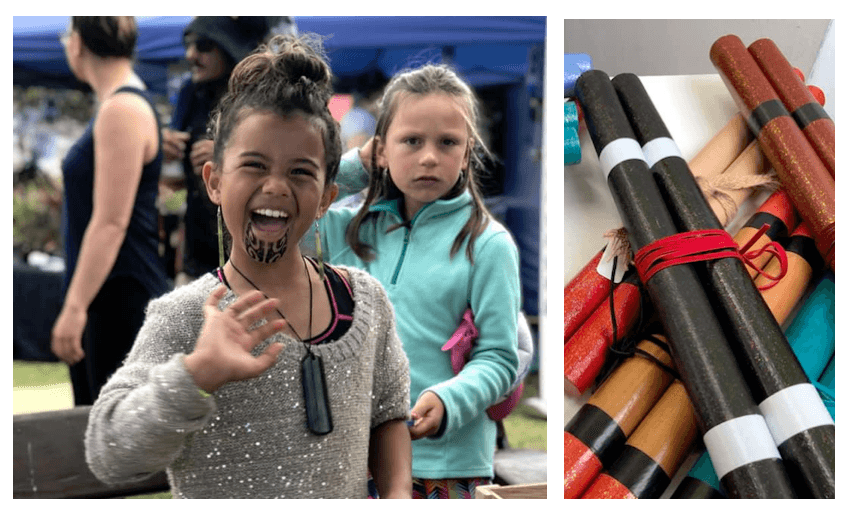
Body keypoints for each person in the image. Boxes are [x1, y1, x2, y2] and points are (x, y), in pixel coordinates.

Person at [85, 34, 412, 499]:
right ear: (215, 182)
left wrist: (398, 494)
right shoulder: (187, 316)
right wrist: (197, 374)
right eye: (255, 166)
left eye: (300, 171)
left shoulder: (366, 303)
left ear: (326, 198)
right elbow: (108, 453)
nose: (276, 186)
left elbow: (389, 415)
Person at [320, 63, 521, 498]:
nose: (429, 156)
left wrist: (450, 400)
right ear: (381, 150)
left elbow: (501, 359)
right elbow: (289, 216)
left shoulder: (489, 245)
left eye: (447, 142)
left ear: (467, 152)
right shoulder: (348, 231)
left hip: (445, 467)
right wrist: (356, 167)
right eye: (411, 141)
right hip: (356, 461)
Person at [52, 16, 169, 406]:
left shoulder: (122, 109)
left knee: (109, 426)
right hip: (114, 290)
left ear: (77, 44)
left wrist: (74, 307)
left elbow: (111, 222)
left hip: (118, 294)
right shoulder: (123, 104)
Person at [162, 17, 281, 285]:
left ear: (228, 48)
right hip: (197, 257)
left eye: (203, 45)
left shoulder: (261, 97)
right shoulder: (191, 93)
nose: (191, 55)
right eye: (188, 45)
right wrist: (163, 148)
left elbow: (285, 162)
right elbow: (176, 181)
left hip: (251, 261)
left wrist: (230, 153)